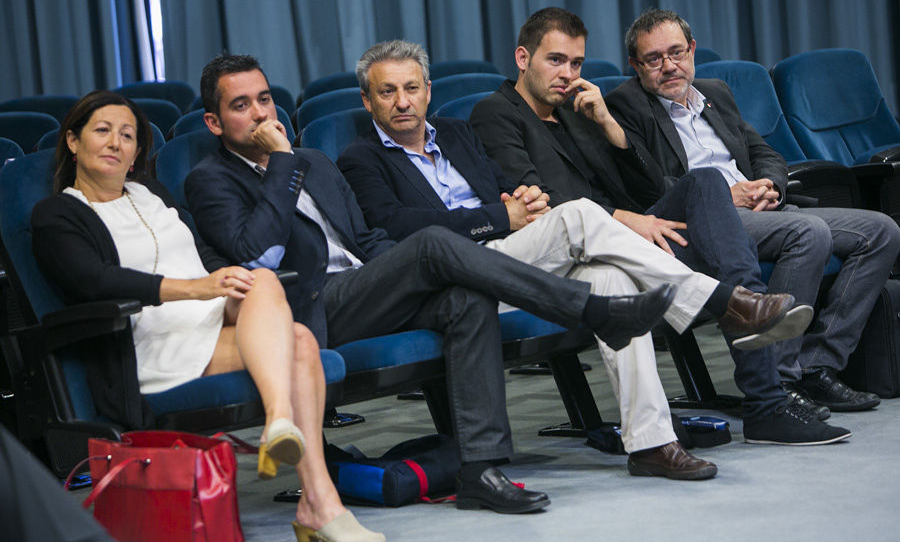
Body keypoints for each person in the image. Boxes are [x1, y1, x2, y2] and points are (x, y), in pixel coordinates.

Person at [184, 54, 683, 514]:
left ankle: (479, 470)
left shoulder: (314, 161)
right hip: (306, 309)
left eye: (265, 99)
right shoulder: (212, 179)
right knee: (429, 243)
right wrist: (282, 166)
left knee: (465, 296)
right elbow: (257, 253)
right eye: (241, 105)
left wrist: (404, 272)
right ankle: (595, 310)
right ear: (214, 122)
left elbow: (366, 238)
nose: (259, 113)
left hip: (364, 288)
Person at [337, 40, 814, 479]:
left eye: (411, 88)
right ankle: (726, 304)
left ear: (427, 92)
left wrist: (520, 203)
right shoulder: (359, 159)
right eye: (387, 91)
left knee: (614, 281)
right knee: (579, 216)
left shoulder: (458, 136)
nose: (402, 101)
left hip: (514, 260)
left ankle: (651, 444)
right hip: (457, 278)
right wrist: (498, 214)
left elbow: (501, 195)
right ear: (368, 101)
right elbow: (400, 230)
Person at [470, 7, 853, 445]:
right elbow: (539, 203)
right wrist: (630, 220)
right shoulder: (494, 112)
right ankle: (763, 388)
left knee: (706, 180)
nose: (567, 73)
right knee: (731, 228)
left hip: (636, 236)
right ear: (523, 58)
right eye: (555, 60)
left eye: (576, 63)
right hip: (575, 253)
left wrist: (609, 126)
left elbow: (640, 186)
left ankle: (747, 314)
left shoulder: (577, 111)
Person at [30, 91, 384, 542]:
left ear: (138, 153)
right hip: (148, 339)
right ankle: (320, 504)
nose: (116, 143)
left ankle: (282, 429)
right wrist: (198, 288)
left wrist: (222, 276)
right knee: (299, 343)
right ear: (73, 142)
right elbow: (95, 282)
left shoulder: (149, 193)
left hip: (209, 317)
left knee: (262, 279)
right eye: (103, 131)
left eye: (128, 135)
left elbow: (193, 256)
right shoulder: (58, 213)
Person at [605, 7, 900, 417]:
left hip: (762, 210)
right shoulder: (627, 106)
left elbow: (763, 152)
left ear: (692, 50)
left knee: (882, 231)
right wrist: (732, 196)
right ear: (636, 66)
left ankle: (817, 366)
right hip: (706, 222)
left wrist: (770, 186)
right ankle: (778, 381)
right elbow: (651, 188)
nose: (669, 66)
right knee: (807, 232)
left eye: (676, 52)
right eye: (654, 59)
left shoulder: (715, 93)